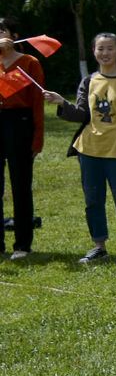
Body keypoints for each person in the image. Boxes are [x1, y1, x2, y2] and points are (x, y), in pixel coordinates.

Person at [43, 33, 116, 266]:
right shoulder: (89, 80)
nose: (105, 53)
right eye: (100, 49)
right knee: (93, 201)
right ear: (93, 51)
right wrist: (62, 103)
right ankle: (99, 246)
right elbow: (82, 114)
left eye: (110, 48)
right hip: (89, 150)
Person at [0, 18, 45, 261]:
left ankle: (23, 244)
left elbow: (37, 103)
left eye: (2, 31)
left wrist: (38, 138)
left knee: (20, 185)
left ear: (14, 36)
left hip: (20, 124)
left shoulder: (29, 62)